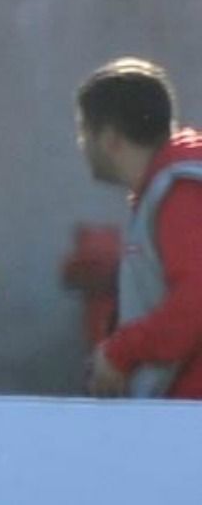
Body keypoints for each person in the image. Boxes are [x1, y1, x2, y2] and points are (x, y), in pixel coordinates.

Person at [74, 57, 202, 398]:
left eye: (85, 131)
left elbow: (195, 298)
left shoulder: (181, 191)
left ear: (111, 139)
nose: (81, 144)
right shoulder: (173, 185)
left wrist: (120, 354)